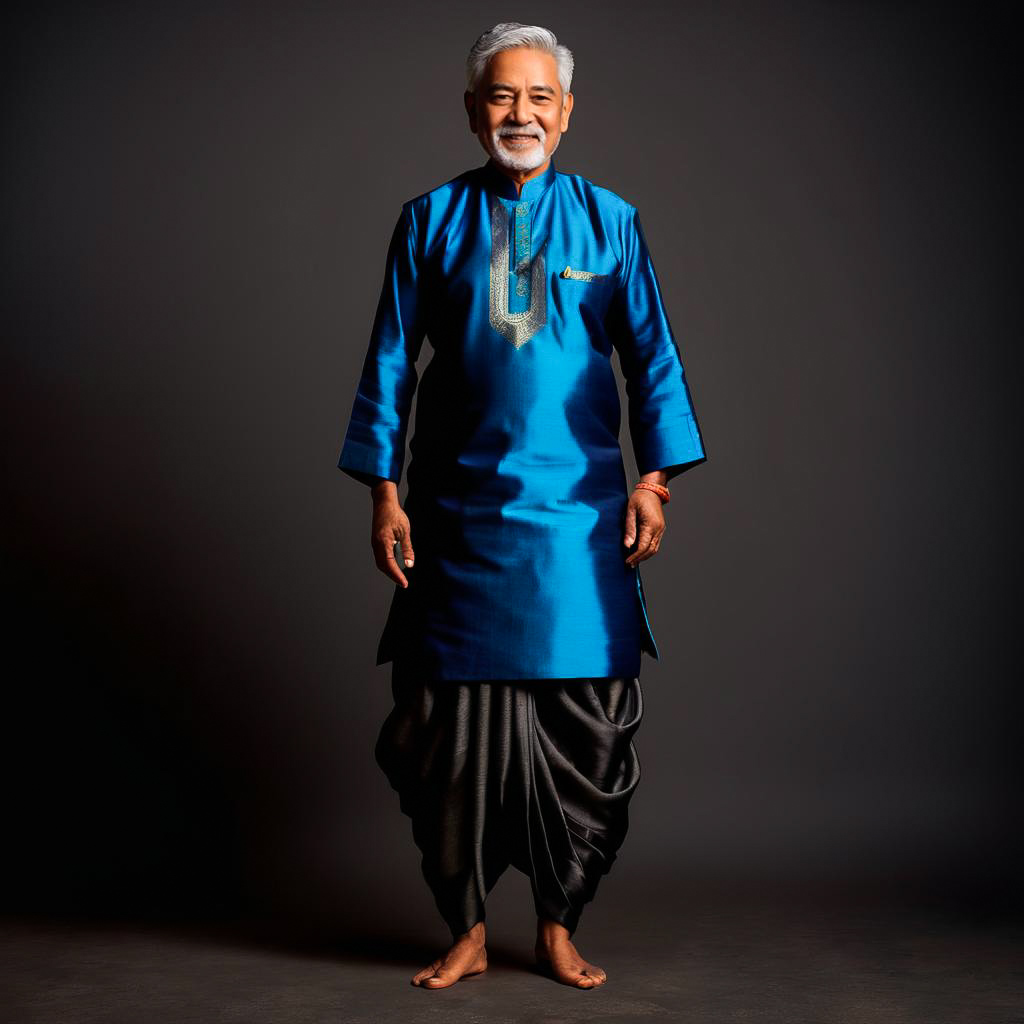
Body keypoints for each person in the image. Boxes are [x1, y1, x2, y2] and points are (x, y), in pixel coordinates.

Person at [337, 22, 707, 989]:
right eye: (503, 97)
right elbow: (388, 364)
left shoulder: (610, 220)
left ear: (568, 111)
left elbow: (653, 359)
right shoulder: (428, 222)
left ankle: (555, 925)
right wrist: (383, 493)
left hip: (582, 525)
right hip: (455, 521)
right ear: (471, 111)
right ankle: (462, 928)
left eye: (541, 98)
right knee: (441, 741)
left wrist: (655, 480)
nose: (522, 115)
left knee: (589, 729)